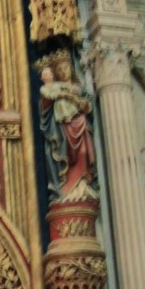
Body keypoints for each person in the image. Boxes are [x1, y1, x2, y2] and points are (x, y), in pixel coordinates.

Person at [38, 52, 96, 200]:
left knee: (83, 153)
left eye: (65, 68)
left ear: (71, 68)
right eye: (59, 70)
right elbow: (45, 109)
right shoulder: (54, 89)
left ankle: (83, 185)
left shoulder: (79, 88)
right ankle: (66, 191)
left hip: (80, 125)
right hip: (62, 129)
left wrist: (77, 101)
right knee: (62, 155)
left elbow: (89, 106)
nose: (63, 72)